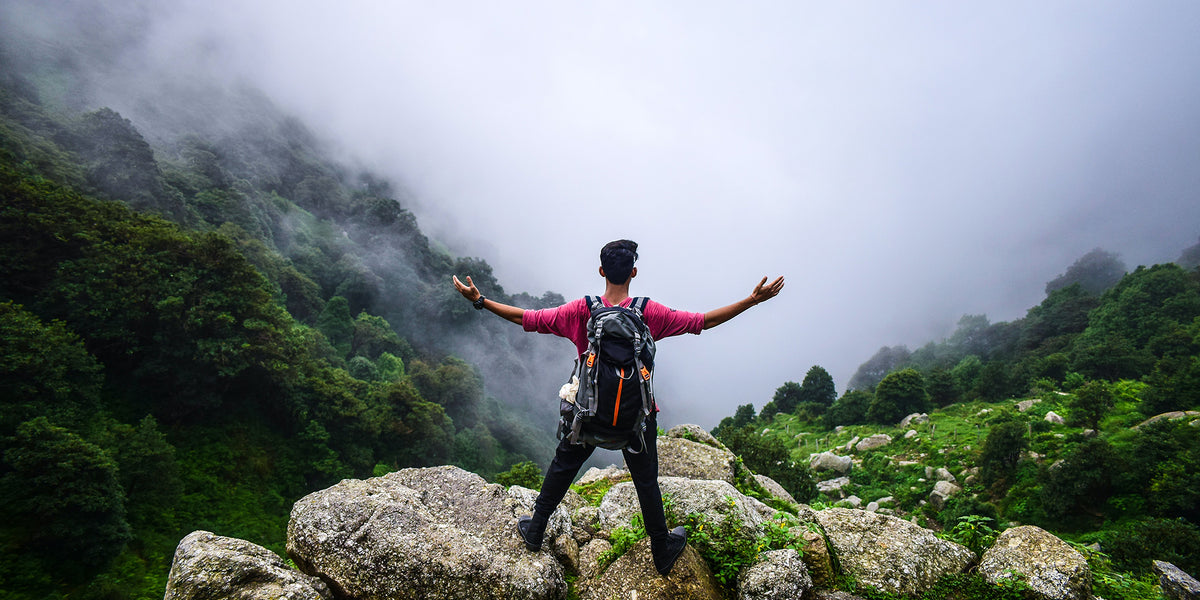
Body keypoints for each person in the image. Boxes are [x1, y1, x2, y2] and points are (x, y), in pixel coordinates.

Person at [451, 239, 784, 576]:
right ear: (634, 273)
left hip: (588, 414)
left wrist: (480, 300)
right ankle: (661, 547)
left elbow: (529, 319)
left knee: (564, 464)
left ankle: (536, 528)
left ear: (601, 272)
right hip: (636, 420)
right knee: (646, 481)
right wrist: (752, 300)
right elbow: (703, 321)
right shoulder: (648, 312)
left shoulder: (583, 310)